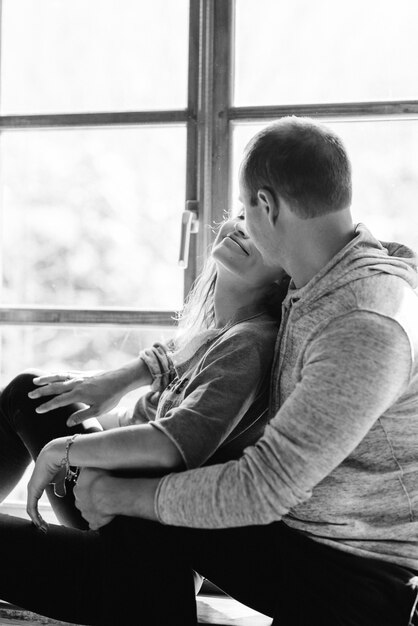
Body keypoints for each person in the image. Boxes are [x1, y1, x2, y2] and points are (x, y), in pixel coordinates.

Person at [1, 116, 418, 626]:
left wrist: (119, 493)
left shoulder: (360, 325)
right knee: (97, 445)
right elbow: (212, 339)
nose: (241, 223)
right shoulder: (329, 273)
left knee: (151, 482)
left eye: (246, 209)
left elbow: (263, 487)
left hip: (351, 581)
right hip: (304, 543)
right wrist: (125, 377)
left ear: (267, 205)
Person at [1, 214, 287, 533]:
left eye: (262, 231)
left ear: (286, 273)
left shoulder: (249, 342)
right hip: (130, 527)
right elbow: (144, 415)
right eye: (243, 215)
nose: (243, 227)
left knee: (26, 390)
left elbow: (176, 444)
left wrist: (64, 447)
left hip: (135, 538)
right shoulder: (212, 336)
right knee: (34, 393)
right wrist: (77, 407)